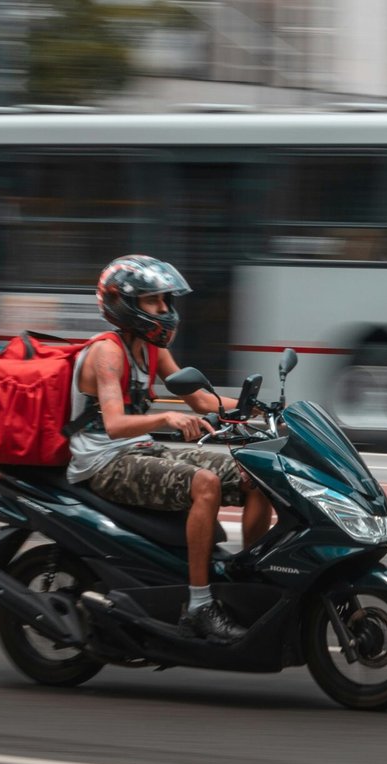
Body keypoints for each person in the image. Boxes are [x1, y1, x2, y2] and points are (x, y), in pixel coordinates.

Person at [69, 255, 274, 642]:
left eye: (166, 300)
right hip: (105, 461)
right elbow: (114, 425)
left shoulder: (151, 348)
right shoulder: (107, 353)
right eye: (153, 301)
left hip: (140, 449)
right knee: (205, 483)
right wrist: (166, 418)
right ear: (124, 304)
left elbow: (200, 399)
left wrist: (265, 410)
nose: (164, 309)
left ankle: (251, 582)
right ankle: (199, 607)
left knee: (257, 475)